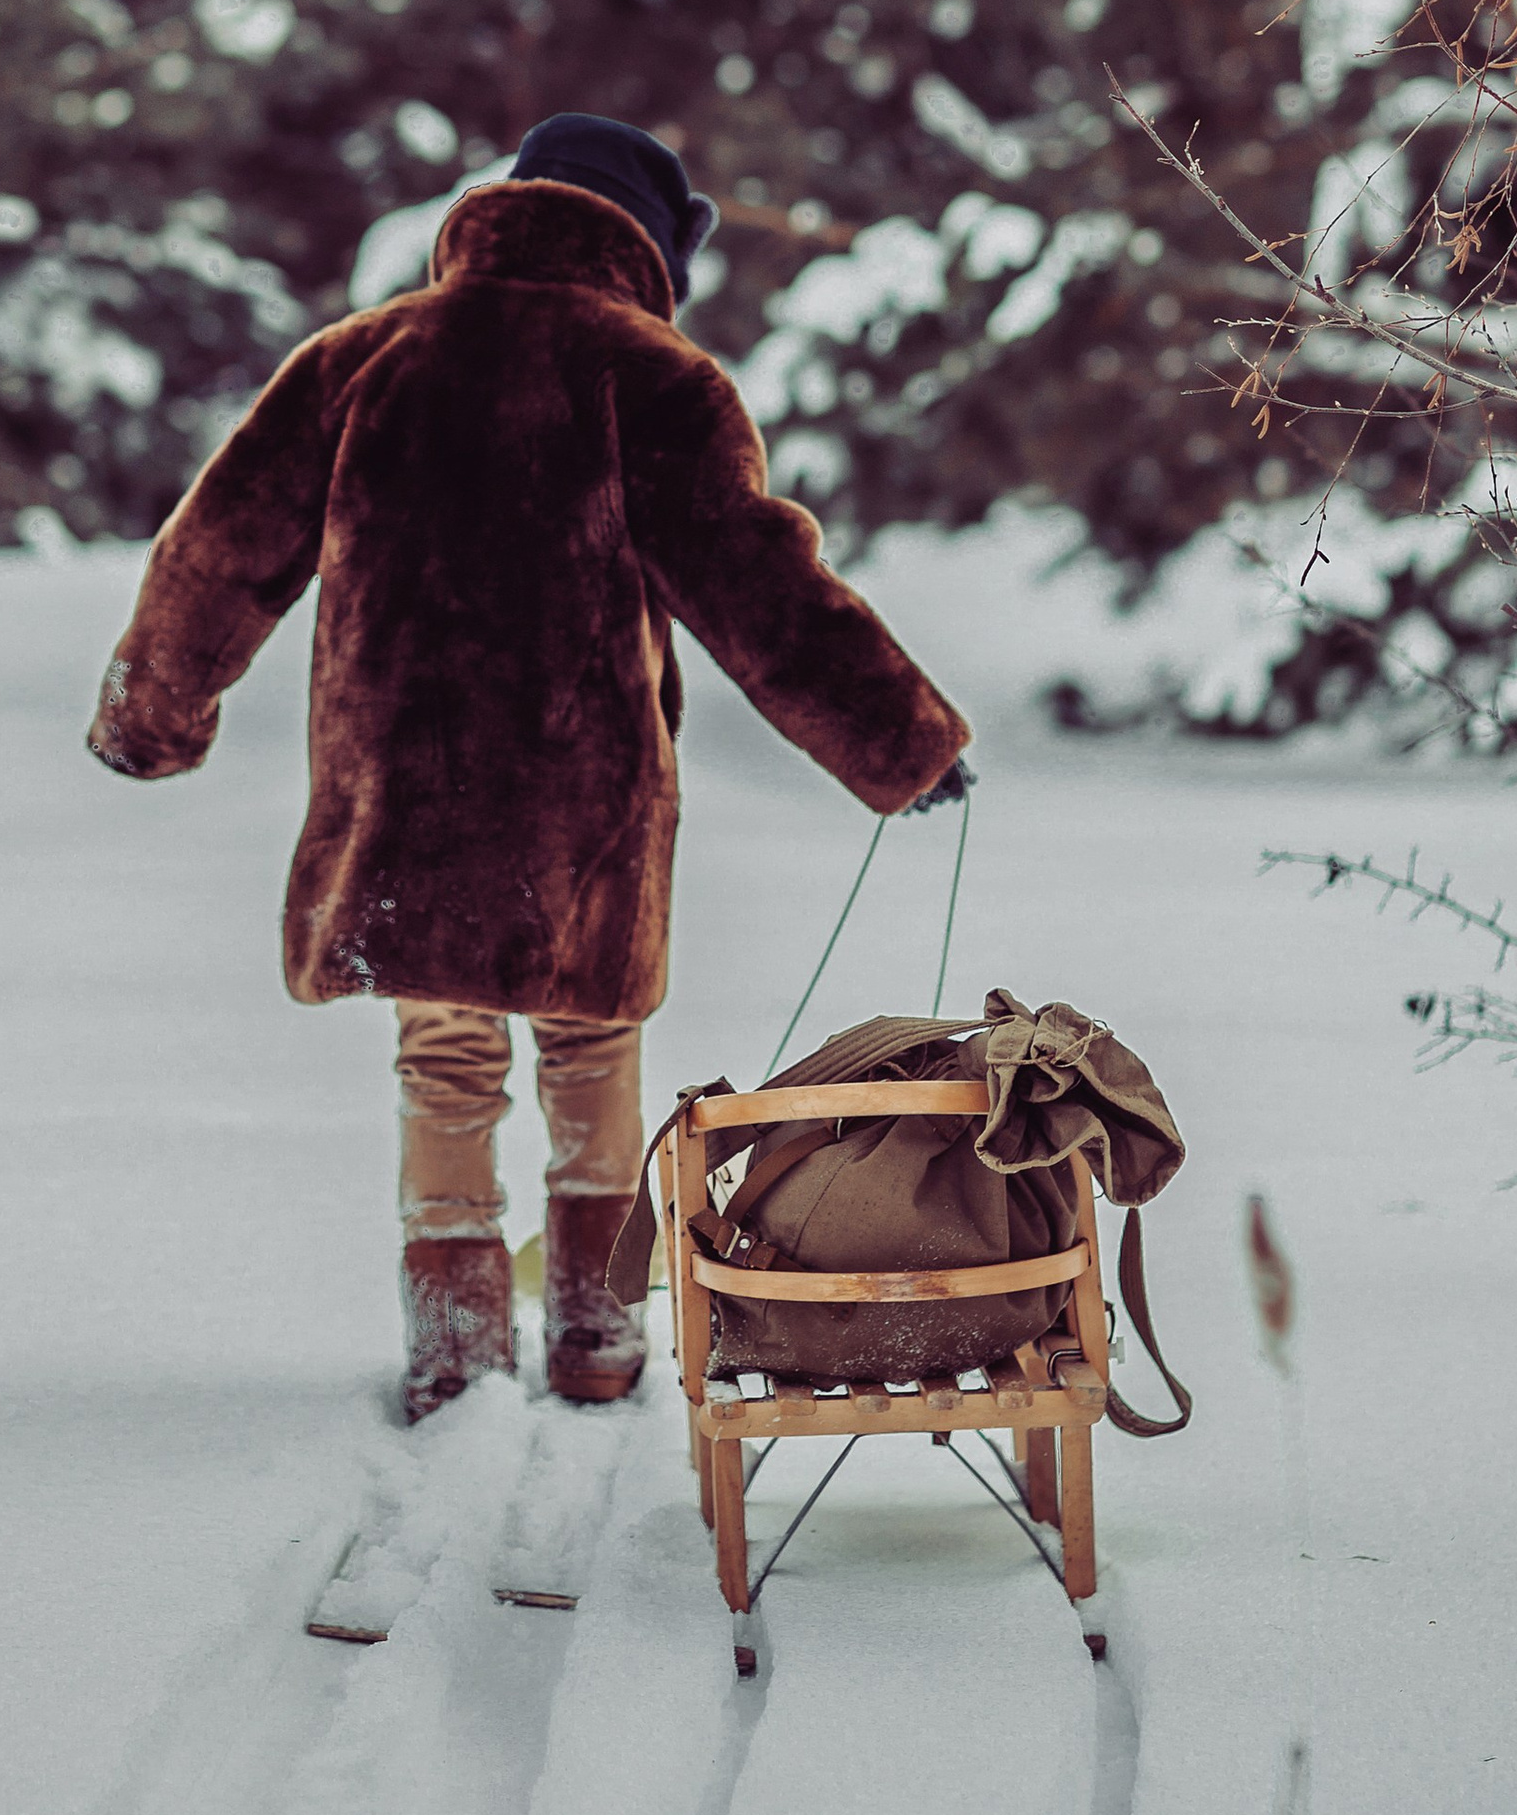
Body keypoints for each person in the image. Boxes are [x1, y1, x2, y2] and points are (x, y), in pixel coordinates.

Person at [87, 112, 972, 1420]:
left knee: (443, 1053)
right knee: (588, 1044)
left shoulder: (360, 355)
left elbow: (217, 547)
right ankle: (596, 1341)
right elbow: (758, 583)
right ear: (646, 245)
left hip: (401, 789)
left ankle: (452, 1352)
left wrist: (152, 709)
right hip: (583, 805)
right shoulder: (656, 375)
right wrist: (900, 739)